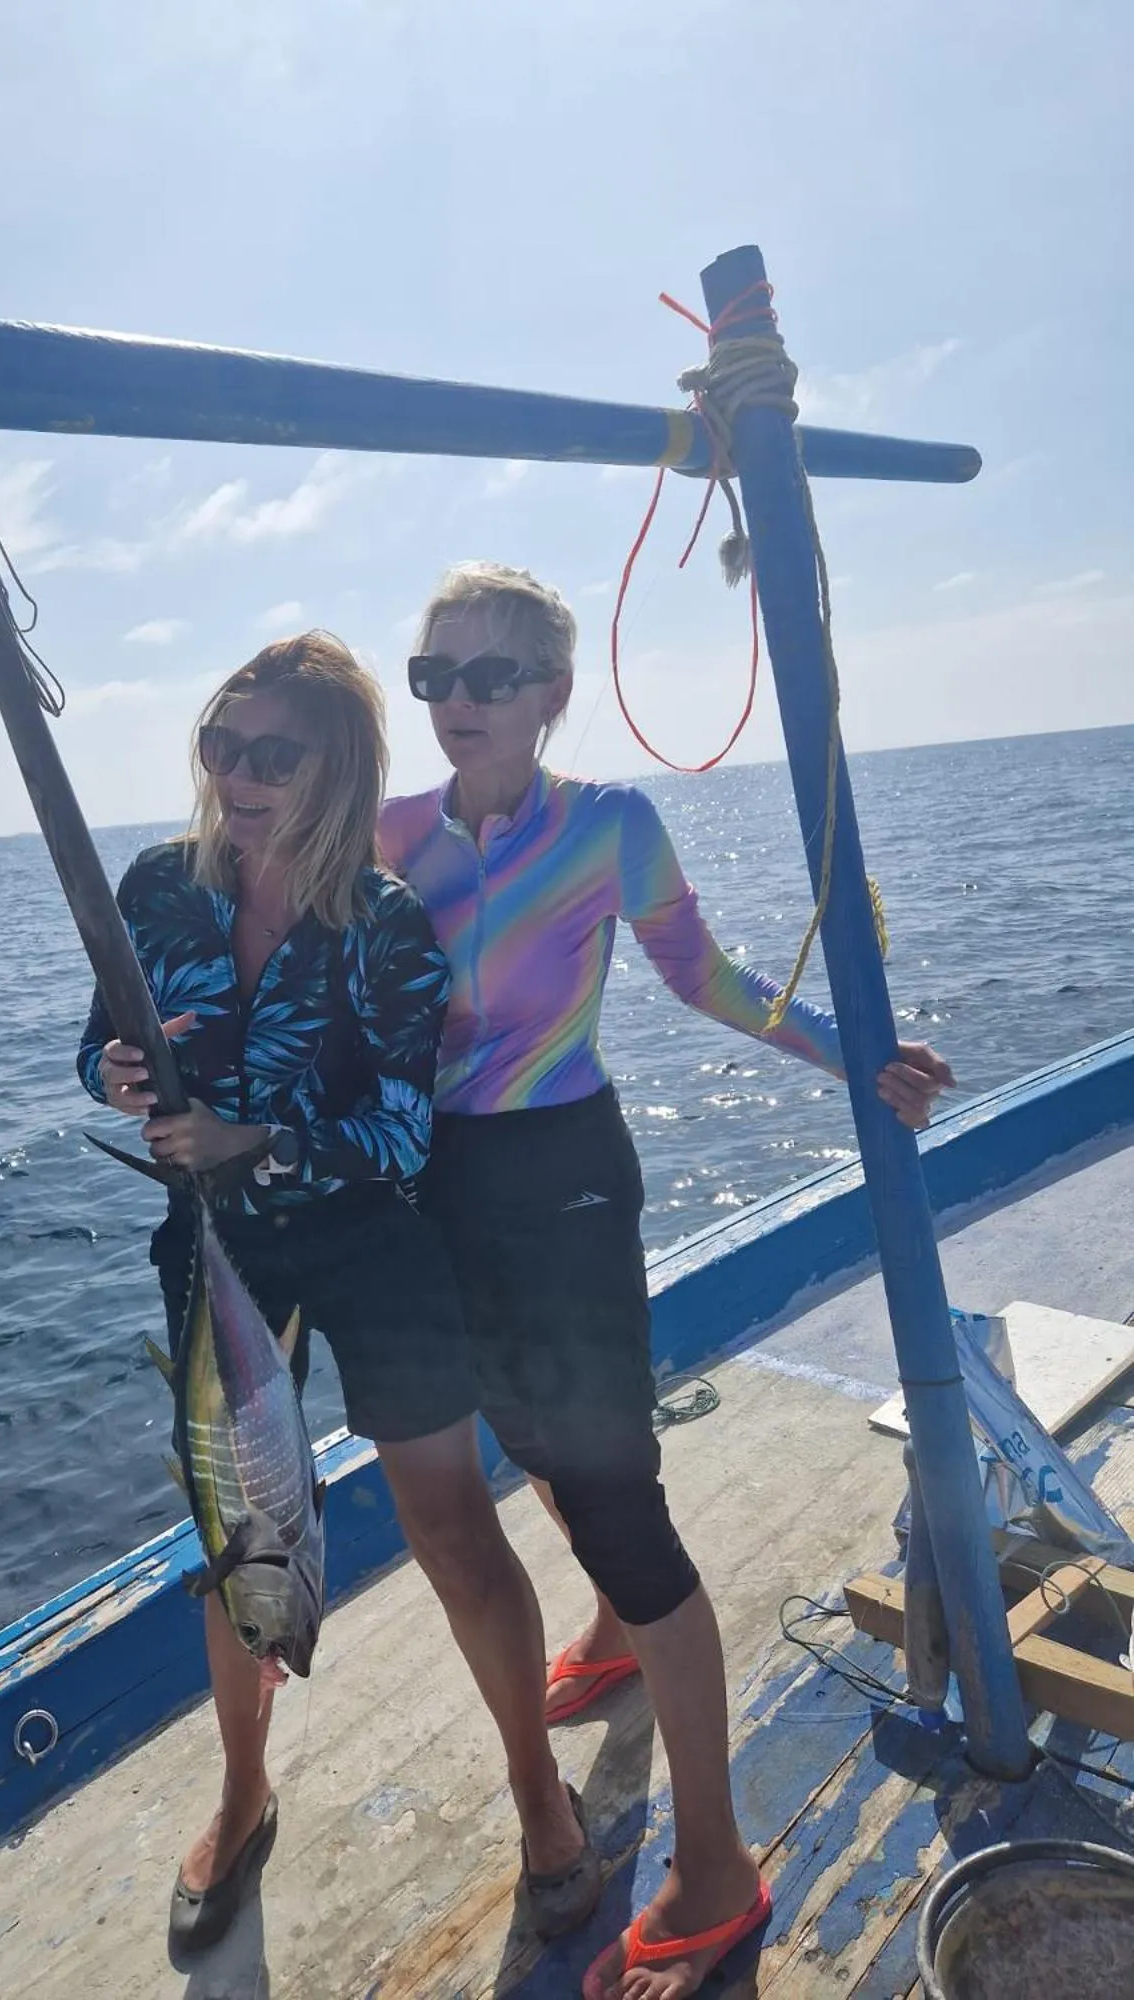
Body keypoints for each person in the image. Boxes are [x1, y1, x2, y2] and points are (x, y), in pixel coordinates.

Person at [378, 564, 954, 2000]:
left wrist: (853, 1055)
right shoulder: (388, 836)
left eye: (491, 675)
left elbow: (706, 978)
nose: (457, 700)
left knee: (617, 1497)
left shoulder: (609, 827)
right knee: (534, 1444)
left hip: (563, 1177)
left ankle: (715, 1863)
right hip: (438, 1185)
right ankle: (609, 1635)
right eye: (435, 675)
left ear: (552, 694)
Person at [77, 631, 602, 1955]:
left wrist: (257, 1139)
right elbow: (99, 1045)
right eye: (223, 745)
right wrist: (119, 1078)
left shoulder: (383, 922)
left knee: (451, 1526)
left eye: (274, 755)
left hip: (371, 1244)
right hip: (220, 1250)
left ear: (339, 770)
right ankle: (244, 1793)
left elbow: (403, 1135)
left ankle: (538, 1790)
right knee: (237, 1544)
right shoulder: (157, 888)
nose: (240, 776)